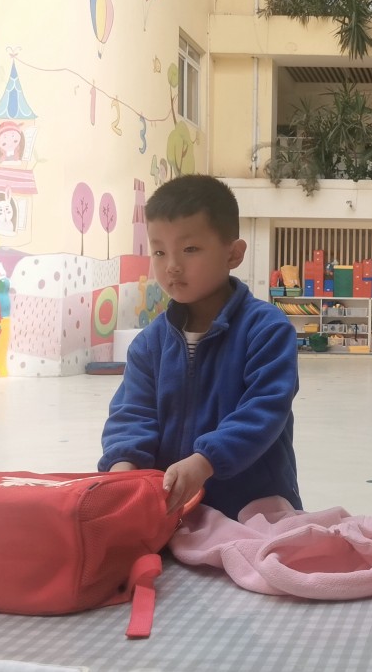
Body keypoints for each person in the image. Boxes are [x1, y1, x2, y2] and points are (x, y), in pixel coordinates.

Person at [98, 174, 301, 518]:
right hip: (173, 514)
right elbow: (132, 414)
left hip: (254, 512)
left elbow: (264, 411)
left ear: (233, 254)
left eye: (190, 249)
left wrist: (206, 460)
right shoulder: (149, 344)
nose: (172, 266)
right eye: (159, 251)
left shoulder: (267, 330)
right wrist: (123, 467)